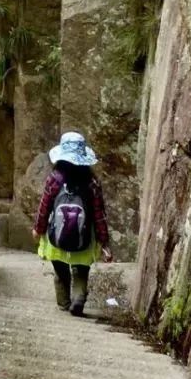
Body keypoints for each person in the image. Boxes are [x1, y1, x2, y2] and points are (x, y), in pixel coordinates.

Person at [31, 130, 112, 315]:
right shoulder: (91, 182)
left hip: (56, 237)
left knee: (60, 271)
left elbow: (44, 207)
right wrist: (103, 241)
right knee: (81, 270)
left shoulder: (55, 179)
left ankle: (64, 302)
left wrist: (38, 229)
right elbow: (99, 214)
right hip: (84, 238)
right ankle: (78, 298)